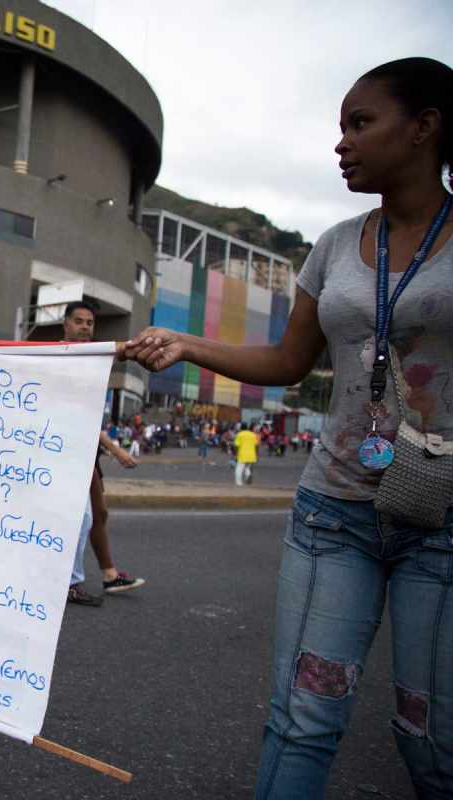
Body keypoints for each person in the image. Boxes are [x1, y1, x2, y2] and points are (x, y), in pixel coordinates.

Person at [125, 57, 453, 798]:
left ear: (425, 128)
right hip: (333, 511)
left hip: (442, 518)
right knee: (303, 721)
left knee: (430, 741)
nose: (342, 143)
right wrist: (186, 344)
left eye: (361, 124)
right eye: (340, 125)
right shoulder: (335, 244)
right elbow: (285, 358)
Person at [60, 301, 145, 605]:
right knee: (82, 517)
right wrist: (117, 449)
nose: (85, 327)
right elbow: (77, 413)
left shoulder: (90, 360)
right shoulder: (59, 358)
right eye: (79, 321)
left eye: (90, 323)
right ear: (65, 325)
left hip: (84, 449)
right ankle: (71, 581)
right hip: (65, 450)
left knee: (97, 513)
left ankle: (107, 574)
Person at [233, 422, 259, 486]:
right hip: (251, 454)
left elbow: (236, 446)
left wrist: (235, 454)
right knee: (247, 467)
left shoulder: (239, 434)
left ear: (241, 428)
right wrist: (256, 454)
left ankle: (239, 482)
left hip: (242, 454)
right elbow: (256, 446)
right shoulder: (253, 435)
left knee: (239, 468)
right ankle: (248, 475)